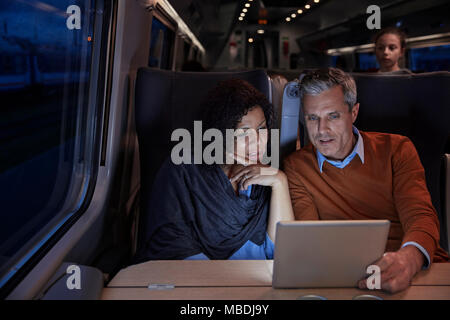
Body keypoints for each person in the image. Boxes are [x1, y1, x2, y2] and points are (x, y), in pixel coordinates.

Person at [284, 67, 449, 293]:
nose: (322, 130)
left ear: (353, 113)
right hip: (343, 276)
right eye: (312, 118)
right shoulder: (297, 167)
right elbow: (312, 239)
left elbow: (420, 216)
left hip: (412, 267)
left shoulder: (397, 149)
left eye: (333, 116)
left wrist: (407, 261)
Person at [134, 79, 293, 262]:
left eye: (262, 128)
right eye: (243, 132)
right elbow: (172, 245)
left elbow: (283, 255)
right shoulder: (183, 169)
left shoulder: (267, 175)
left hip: (258, 282)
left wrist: (280, 182)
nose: (257, 141)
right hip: (198, 282)